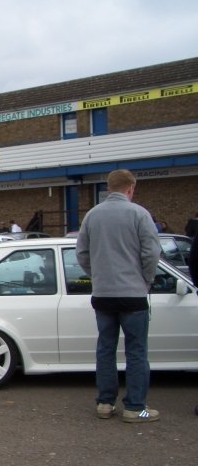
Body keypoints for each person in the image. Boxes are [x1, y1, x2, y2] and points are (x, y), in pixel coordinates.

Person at [76, 169, 162, 423]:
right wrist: (145, 280)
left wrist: (97, 275)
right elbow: (151, 253)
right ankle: (135, 407)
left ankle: (105, 403)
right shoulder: (139, 214)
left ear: (108, 188)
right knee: (136, 351)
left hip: (103, 294)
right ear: (131, 188)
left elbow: (82, 253)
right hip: (133, 294)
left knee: (105, 348)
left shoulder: (92, 215)